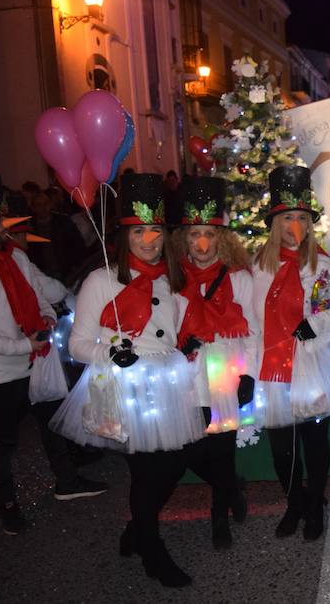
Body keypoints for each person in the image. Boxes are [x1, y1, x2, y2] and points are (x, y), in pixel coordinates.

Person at [50, 173, 205, 588]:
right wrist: (110, 352)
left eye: (155, 229)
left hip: (169, 385)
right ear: (125, 234)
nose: (149, 239)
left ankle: (137, 531)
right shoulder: (102, 280)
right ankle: (153, 552)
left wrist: (191, 361)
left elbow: (177, 336)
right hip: (125, 386)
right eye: (139, 230)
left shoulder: (174, 279)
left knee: (172, 464)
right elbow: (78, 344)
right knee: (145, 473)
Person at [0, 175, 107, 534]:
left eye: (2, 217)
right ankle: (8, 507)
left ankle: (67, 481)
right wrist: (22, 345)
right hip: (0, 371)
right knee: (2, 440)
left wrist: (48, 318)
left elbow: (38, 295)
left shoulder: (16, 258)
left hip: (37, 360)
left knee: (51, 422)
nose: (2, 226)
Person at [252, 166, 330, 541]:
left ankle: (316, 503)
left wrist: (317, 323)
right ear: (275, 223)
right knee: (282, 448)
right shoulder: (258, 267)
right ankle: (295, 503)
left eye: (301, 217)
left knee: (315, 441)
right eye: (287, 217)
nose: (294, 224)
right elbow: (248, 315)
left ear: (310, 223)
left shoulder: (321, 265)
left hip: (315, 361)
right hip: (275, 365)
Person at [173, 176, 257, 548]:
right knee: (189, 448)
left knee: (222, 450)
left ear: (221, 236)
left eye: (209, 233)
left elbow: (253, 328)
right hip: (188, 372)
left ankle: (219, 518)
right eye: (194, 235)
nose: (202, 244)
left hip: (226, 369)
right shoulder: (173, 278)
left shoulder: (239, 278)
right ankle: (232, 490)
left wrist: (249, 375)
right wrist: (180, 341)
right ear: (184, 239)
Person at [28, 188, 87, 281]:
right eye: (39, 205)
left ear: (50, 204)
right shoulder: (30, 228)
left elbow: (78, 244)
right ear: (33, 208)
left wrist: (76, 266)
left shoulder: (63, 221)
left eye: (46, 203)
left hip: (66, 271)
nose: (43, 207)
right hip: (43, 273)